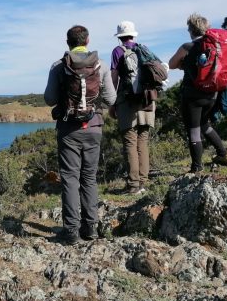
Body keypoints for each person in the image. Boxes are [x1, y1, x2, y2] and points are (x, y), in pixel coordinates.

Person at [44, 25, 116, 245]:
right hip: (93, 128)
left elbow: (49, 99)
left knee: (70, 179)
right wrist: (93, 105)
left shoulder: (58, 66)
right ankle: (91, 228)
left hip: (68, 131)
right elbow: (111, 99)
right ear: (88, 40)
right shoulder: (101, 65)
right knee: (89, 178)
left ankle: (72, 231)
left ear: (67, 42)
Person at [169, 13, 227, 172]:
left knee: (194, 130)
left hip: (192, 96)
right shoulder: (215, 46)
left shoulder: (187, 47)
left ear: (191, 30)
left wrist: (184, 64)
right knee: (204, 124)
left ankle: (196, 168)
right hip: (212, 94)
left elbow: (171, 64)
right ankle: (223, 154)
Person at [109, 21, 156, 195]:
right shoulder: (143, 49)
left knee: (130, 141)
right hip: (147, 100)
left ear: (119, 36)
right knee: (143, 140)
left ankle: (133, 185)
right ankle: (143, 182)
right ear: (133, 35)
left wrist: (112, 103)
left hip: (127, 101)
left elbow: (114, 79)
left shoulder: (117, 51)